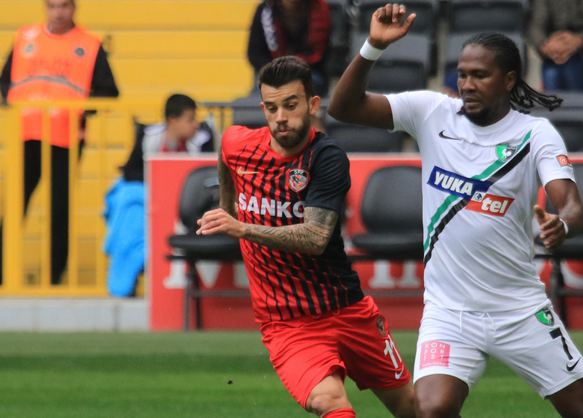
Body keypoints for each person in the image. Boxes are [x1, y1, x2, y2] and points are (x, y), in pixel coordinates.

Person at [328, 4, 583, 418]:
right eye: (462, 75)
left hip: (519, 309)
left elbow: (571, 205)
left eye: (480, 75)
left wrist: (562, 224)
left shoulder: (535, 134)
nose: (467, 84)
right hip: (449, 311)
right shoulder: (432, 112)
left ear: (508, 80)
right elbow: (343, 108)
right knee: (431, 409)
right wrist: (373, 47)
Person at [195, 56, 415, 418]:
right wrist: (227, 203)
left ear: (312, 105)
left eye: (290, 105)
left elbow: (315, 238)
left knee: (415, 408)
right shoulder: (238, 142)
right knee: (329, 400)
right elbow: (225, 153)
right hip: (287, 322)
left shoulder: (326, 158)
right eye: (271, 108)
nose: (280, 117)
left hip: (348, 309)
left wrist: (242, 227)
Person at [0, 0, 119, 285]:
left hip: (65, 139)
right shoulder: (25, 38)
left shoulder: (89, 44)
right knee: (14, 206)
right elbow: (5, 82)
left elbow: (108, 91)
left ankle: (55, 275)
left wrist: (81, 111)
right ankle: (3, 270)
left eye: (64, 6)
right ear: (45, 8)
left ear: (74, 8)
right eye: (53, 6)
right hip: (26, 135)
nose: (58, 12)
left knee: (59, 209)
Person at [104, 94, 213, 297]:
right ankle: (126, 276)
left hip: (189, 206)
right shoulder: (148, 136)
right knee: (129, 206)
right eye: (190, 119)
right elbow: (130, 172)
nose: (195, 124)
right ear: (172, 120)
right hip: (151, 202)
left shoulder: (204, 140)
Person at [247, 0, 331, 97]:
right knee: (261, 95)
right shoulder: (265, 11)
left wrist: (296, 71)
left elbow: (328, 54)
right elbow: (254, 54)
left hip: (310, 73)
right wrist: (278, 72)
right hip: (272, 72)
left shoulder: (320, 10)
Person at [528, 0, 583, 92]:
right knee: (552, 71)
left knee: (568, 68)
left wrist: (579, 40)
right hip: (556, 50)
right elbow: (536, 27)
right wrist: (546, 46)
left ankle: (570, 101)